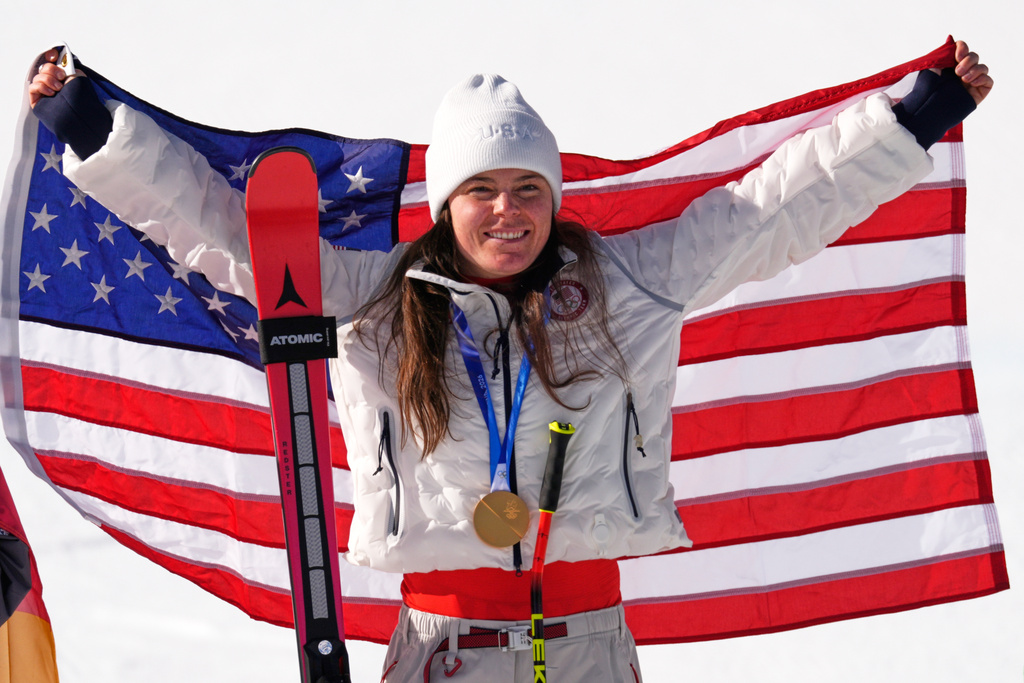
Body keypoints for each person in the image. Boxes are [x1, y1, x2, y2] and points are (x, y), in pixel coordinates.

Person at [27, 42, 992, 682]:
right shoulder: (375, 300)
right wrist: (92, 128)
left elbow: (771, 210)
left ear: (554, 195)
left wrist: (914, 118)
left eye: (527, 186)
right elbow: (227, 237)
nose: (507, 209)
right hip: (437, 647)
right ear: (447, 203)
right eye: (481, 188)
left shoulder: (628, 285)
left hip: (591, 647)